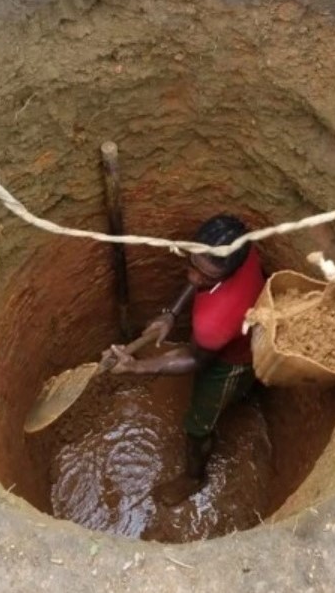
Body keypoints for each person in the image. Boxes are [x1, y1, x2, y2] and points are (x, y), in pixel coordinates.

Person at [106, 214, 265, 504]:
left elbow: (196, 360)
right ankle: (242, 393)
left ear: (226, 274)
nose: (192, 277)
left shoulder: (213, 324)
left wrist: (138, 366)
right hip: (234, 328)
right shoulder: (240, 248)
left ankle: (194, 478)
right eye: (192, 263)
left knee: (197, 426)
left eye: (205, 277)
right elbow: (200, 275)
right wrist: (172, 314)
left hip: (233, 359)